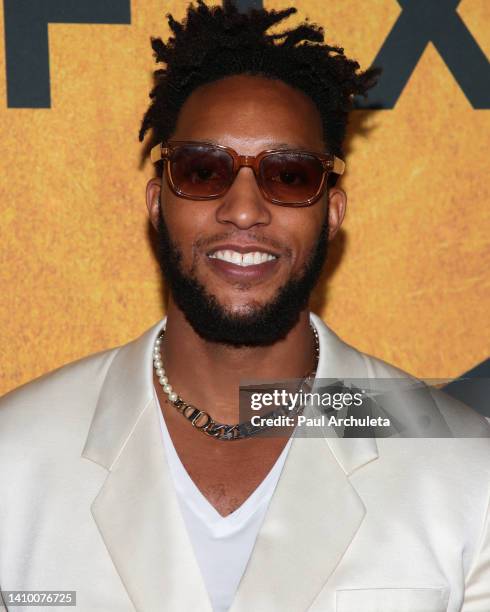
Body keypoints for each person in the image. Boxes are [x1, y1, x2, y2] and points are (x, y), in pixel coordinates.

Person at [0, 2, 489, 611]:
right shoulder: (15, 457)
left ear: (331, 212)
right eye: (203, 170)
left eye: (289, 176)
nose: (244, 209)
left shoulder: (467, 466)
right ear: (157, 203)